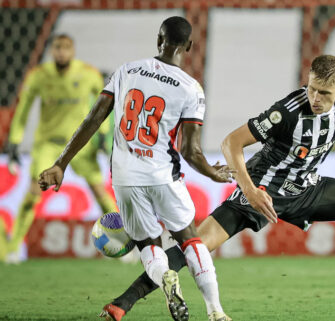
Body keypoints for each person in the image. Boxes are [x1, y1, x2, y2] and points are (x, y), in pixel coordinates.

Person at [100, 54, 335, 319]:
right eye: (313, 89)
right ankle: (122, 303)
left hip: (306, 189)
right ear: (308, 81)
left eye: (326, 93)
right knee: (197, 244)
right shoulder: (286, 111)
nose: (318, 98)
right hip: (262, 191)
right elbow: (231, 143)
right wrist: (250, 189)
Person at [38, 17, 233, 321]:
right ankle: (216, 311)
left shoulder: (127, 70)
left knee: (147, 244)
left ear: (159, 40)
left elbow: (94, 118)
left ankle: (166, 278)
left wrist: (61, 163)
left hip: (126, 178)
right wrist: (212, 173)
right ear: (189, 46)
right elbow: (190, 151)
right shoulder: (191, 88)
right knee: (190, 239)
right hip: (163, 175)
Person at [3, 34, 117, 264]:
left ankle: (120, 245)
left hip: (79, 145)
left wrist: (104, 137)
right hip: (48, 144)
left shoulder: (88, 74)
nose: (61, 53)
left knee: (101, 193)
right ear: (51, 51)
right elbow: (23, 110)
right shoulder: (38, 76)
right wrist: (15, 141)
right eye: (57, 48)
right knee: (33, 194)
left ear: (73, 51)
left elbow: (103, 108)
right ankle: (13, 249)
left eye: (65, 48)